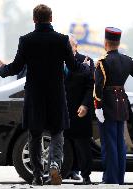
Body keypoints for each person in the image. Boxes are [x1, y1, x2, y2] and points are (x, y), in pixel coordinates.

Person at [0, 4, 89, 186]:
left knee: (35, 135)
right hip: (56, 96)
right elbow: (74, 66)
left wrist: (2, 69)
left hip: (35, 97)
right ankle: (54, 164)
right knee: (57, 133)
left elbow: (15, 67)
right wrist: (85, 66)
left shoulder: (26, 40)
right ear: (51, 19)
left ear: (34, 20)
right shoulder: (62, 40)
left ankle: (38, 174)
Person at [94, 27, 133, 184]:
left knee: (109, 144)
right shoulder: (127, 60)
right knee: (120, 143)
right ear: (118, 42)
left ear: (106, 42)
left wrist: (98, 107)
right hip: (122, 104)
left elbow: (98, 87)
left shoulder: (103, 62)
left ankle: (110, 179)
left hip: (108, 106)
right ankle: (120, 178)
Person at [64, 34, 94, 185]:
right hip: (62, 110)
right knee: (64, 143)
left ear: (76, 46)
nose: (67, 49)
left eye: (70, 45)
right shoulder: (57, 61)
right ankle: (68, 172)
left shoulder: (86, 61)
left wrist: (85, 105)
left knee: (82, 144)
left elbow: (90, 87)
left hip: (80, 109)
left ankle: (86, 176)